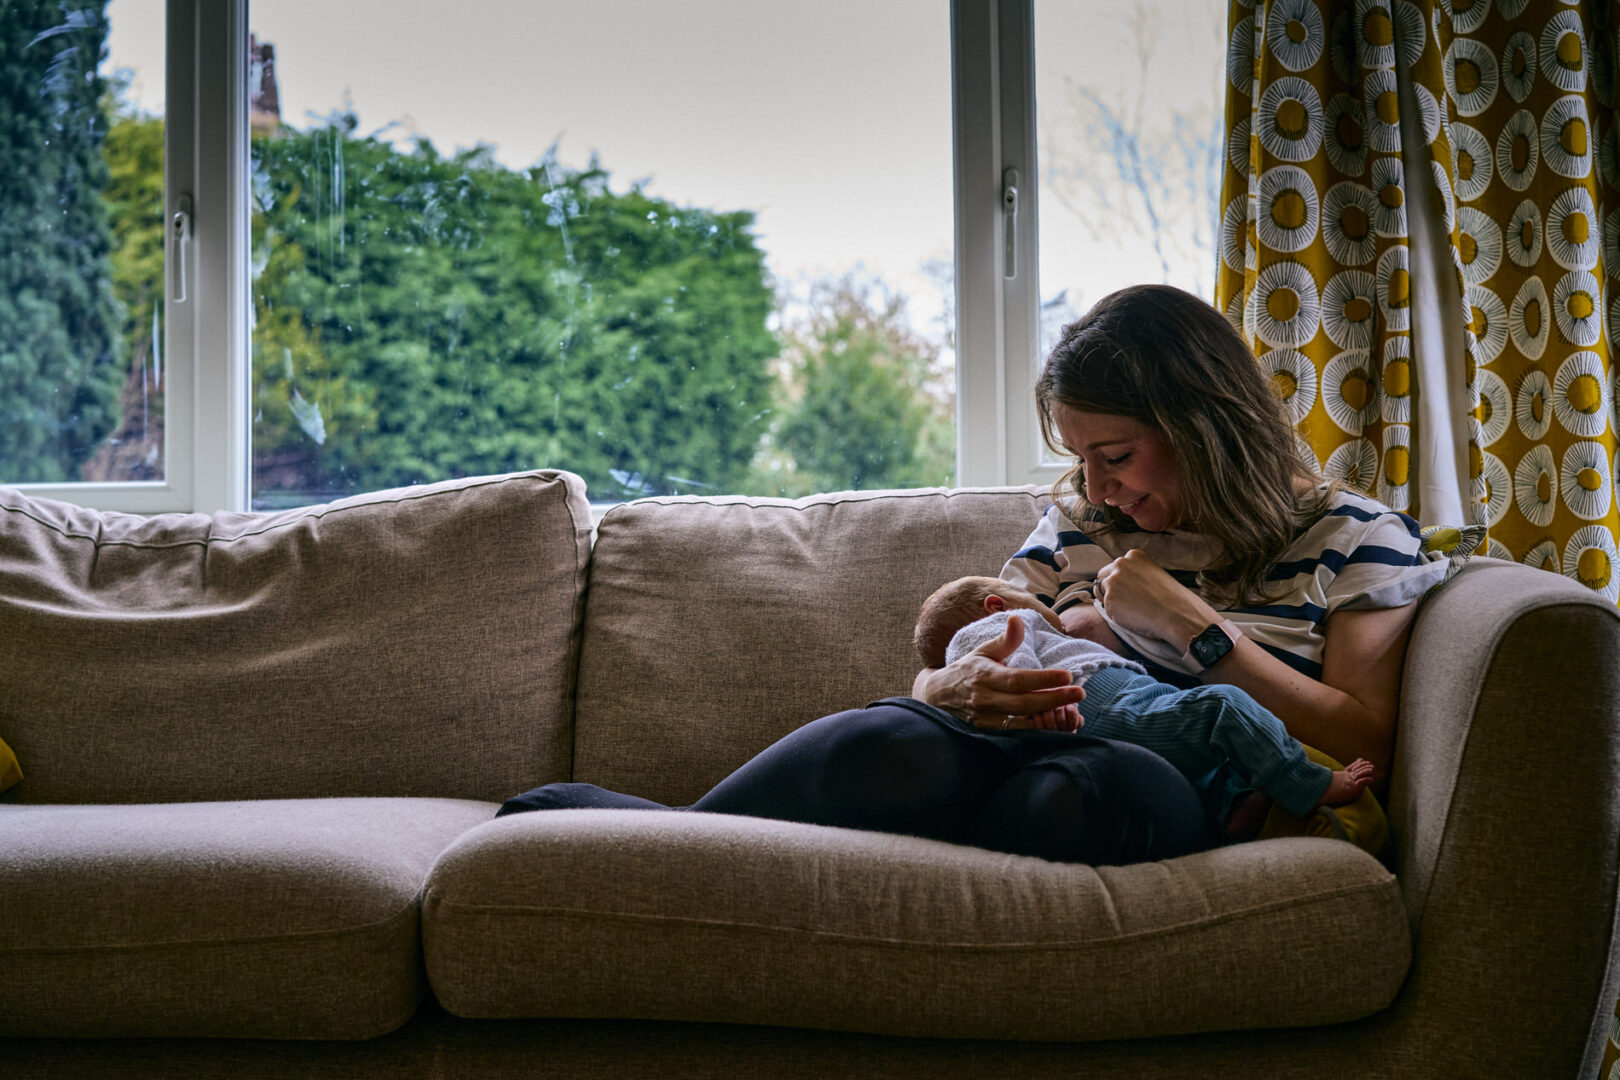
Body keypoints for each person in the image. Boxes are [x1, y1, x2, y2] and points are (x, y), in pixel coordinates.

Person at [499, 283, 1450, 866]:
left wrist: (1196, 629)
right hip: (1008, 744)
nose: (1095, 486)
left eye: (1114, 454)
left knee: (1081, 798)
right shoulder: (1081, 520)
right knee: (898, 743)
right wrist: (947, 684)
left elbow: (1365, 729)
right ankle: (658, 848)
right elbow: (977, 640)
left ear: (1201, 426)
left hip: (1168, 777)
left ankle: (649, 849)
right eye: (1079, 458)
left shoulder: (1357, 537)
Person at [913, 574, 1375, 837]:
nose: (1038, 602)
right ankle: (1306, 782)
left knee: (1212, 760)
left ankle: (1232, 812)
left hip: (1099, 724)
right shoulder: (1000, 625)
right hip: (1105, 703)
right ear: (996, 604)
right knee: (1224, 707)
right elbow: (1006, 668)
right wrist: (1036, 705)